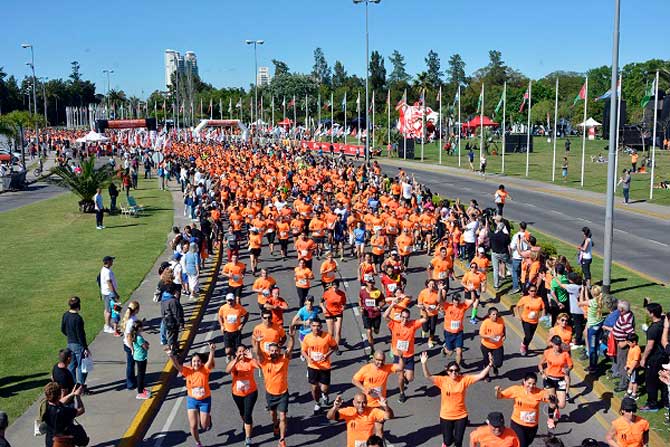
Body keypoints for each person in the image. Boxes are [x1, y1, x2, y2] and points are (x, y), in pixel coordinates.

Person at [420, 351, 492, 447]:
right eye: (451, 371)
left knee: (458, 441)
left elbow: (480, 375)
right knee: (448, 441)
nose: (454, 372)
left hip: (461, 416)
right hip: (446, 416)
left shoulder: (464, 380)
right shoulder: (442, 381)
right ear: (447, 372)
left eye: (456, 370)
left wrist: (490, 365)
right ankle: (447, 442)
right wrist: (424, 364)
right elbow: (428, 376)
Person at [166, 342, 216, 447]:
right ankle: (198, 443)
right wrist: (171, 356)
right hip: (192, 400)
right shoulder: (188, 370)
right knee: (193, 426)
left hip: (205, 400)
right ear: (191, 363)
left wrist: (212, 351)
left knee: (204, 426)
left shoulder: (205, 369)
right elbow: (177, 366)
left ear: (201, 362)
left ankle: (207, 419)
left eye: (198, 361)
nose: (196, 363)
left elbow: (210, 362)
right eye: (194, 361)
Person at [254, 326, 296, 447]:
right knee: (273, 416)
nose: (274, 352)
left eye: (276, 350)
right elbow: (257, 353)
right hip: (270, 394)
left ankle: (282, 440)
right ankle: (275, 424)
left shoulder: (284, 359)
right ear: (269, 352)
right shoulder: (264, 361)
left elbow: (290, 348)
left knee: (283, 416)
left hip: (283, 393)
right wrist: (257, 342)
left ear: (279, 351)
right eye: (272, 351)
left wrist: (292, 337)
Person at [383, 301, 427, 403]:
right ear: (400, 317)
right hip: (398, 355)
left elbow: (425, 319)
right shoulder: (395, 324)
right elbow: (385, 316)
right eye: (402, 317)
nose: (404, 319)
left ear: (409, 318)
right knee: (400, 376)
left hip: (409, 355)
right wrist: (392, 305)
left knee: (410, 378)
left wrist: (423, 309)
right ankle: (402, 393)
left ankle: (405, 380)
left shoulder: (413, 324)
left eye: (406, 318)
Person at [496, 373, 555, 446]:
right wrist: (498, 391)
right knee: (522, 444)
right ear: (524, 381)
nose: (531, 386)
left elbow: (553, 405)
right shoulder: (516, 389)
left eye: (533, 384)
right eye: (529, 383)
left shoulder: (540, 392)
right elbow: (500, 396)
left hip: (532, 426)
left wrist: (553, 400)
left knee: (526, 444)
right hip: (517, 424)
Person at [326, 392, 393, 447]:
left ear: (366, 402)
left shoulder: (372, 411)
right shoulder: (348, 411)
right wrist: (335, 407)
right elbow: (330, 417)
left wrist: (386, 407)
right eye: (358, 402)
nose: (361, 405)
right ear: (353, 403)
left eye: (363, 402)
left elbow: (389, 416)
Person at [225, 345, 260, 447]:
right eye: (239, 351)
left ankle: (248, 438)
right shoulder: (234, 364)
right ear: (236, 353)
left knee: (248, 414)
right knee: (243, 413)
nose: (242, 353)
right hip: (237, 394)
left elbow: (261, 366)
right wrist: (236, 360)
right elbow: (227, 370)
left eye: (243, 351)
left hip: (251, 392)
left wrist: (252, 357)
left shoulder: (250, 361)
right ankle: (246, 424)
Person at [301, 318, 338, 413]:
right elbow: (303, 350)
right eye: (313, 326)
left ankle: (324, 394)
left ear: (321, 327)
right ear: (310, 327)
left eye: (318, 326)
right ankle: (317, 403)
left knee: (324, 388)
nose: (316, 328)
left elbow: (334, 347)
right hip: (312, 366)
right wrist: (307, 358)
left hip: (325, 366)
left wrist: (326, 355)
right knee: (314, 388)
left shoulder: (327, 336)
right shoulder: (307, 337)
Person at [639, 302, 668, 412]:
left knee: (650, 382)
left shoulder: (653, 329)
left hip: (654, 359)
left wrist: (643, 358)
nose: (646, 313)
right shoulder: (664, 322)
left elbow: (650, 346)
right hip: (664, 357)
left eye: (647, 312)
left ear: (652, 314)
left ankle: (652, 404)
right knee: (664, 380)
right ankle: (666, 402)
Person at [40, 382, 86, 447]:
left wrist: (72, 394)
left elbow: (60, 401)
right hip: (63, 442)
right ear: (59, 395)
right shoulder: (64, 411)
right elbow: (81, 410)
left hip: (50, 441)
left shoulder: (45, 405)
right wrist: (77, 396)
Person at [538, 335, 573, 422]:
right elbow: (540, 364)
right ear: (552, 344)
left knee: (562, 405)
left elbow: (571, 365)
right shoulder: (547, 352)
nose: (558, 346)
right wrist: (542, 373)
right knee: (552, 402)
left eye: (559, 344)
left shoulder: (565, 354)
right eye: (556, 344)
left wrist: (567, 369)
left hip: (560, 380)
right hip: (549, 379)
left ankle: (556, 409)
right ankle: (550, 419)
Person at [60, 296, 90, 394]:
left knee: (71, 366)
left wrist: (69, 336)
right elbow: (81, 335)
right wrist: (85, 347)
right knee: (82, 366)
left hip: (70, 343)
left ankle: (73, 385)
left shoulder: (65, 315)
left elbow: (63, 329)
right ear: (78, 305)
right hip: (78, 345)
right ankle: (81, 386)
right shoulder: (78, 318)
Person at [218, 293, 249, 361]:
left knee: (237, 349)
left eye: (231, 300)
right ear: (226, 301)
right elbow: (219, 316)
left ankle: (236, 362)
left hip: (237, 332)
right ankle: (229, 356)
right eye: (228, 301)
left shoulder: (239, 308)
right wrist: (221, 325)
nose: (230, 302)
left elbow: (246, 315)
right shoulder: (223, 308)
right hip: (227, 331)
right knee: (227, 350)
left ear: (234, 300)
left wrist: (242, 324)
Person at [515, 285, 545, 356]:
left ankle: (526, 345)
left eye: (535, 291)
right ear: (528, 291)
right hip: (526, 320)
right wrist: (518, 315)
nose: (533, 293)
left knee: (531, 336)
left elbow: (543, 308)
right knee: (528, 335)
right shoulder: (524, 299)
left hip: (535, 321)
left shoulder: (539, 299)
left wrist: (542, 316)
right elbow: (517, 307)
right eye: (531, 291)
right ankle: (523, 346)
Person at [359, 278, 385, 353]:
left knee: (376, 331)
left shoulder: (377, 292)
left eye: (373, 282)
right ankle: (372, 350)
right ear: (366, 283)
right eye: (370, 282)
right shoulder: (362, 292)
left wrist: (379, 307)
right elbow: (360, 300)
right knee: (369, 331)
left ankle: (376, 329)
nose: (371, 284)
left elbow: (383, 301)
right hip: (366, 314)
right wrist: (361, 307)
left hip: (376, 315)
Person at [479, 307, 506, 380]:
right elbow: (481, 334)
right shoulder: (486, 322)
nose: (495, 316)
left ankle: (495, 366)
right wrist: (489, 336)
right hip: (486, 346)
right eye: (493, 314)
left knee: (499, 363)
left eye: (496, 314)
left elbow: (503, 328)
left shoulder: (501, 320)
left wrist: (504, 335)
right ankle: (486, 375)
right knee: (486, 362)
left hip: (498, 346)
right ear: (489, 315)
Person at [121, 300, 141, 390]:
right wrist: (132, 348)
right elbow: (129, 336)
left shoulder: (130, 318)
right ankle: (130, 383)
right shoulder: (131, 320)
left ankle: (132, 380)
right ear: (136, 309)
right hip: (131, 345)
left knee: (131, 363)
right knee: (131, 364)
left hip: (127, 344)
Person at [321, 281, 346, 350]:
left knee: (337, 331)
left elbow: (344, 303)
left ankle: (336, 348)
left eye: (336, 287)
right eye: (334, 287)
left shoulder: (342, 294)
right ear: (332, 286)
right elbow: (321, 302)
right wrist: (323, 308)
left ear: (338, 286)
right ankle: (330, 344)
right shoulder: (327, 293)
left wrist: (343, 307)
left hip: (338, 313)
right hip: (329, 313)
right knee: (330, 333)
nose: (335, 289)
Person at [131, 320, 151, 399]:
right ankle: (140, 392)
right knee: (141, 375)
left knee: (141, 374)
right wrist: (146, 345)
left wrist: (145, 342)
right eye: (141, 326)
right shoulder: (139, 338)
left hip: (138, 356)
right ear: (139, 328)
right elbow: (146, 347)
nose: (143, 327)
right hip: (141, 357)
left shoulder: (136, 335)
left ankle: (142, 389)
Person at [99, 256, 119, 334]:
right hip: (109, 293)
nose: (112, 262)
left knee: (107, 309)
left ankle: (107, 324)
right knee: (109, 311)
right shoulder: (107, 272)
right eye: (111, 260)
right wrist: (115, 293)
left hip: (106, 292)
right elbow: (109, 283)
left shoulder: (105, 269)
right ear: (108, 262)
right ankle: (107, 326)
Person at [622, 333, 641, 398]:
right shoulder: (632, 347)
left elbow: (635, 361)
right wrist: (627, 365)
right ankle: (629, 391)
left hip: (634, 368)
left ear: (634, 342)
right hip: (630, 367)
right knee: (631, 380)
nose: (628, 344)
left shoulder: (637, 349)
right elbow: (630, 358)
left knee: (634, 382)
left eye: (629, 342)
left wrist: (631, 369)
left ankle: (634, 394)